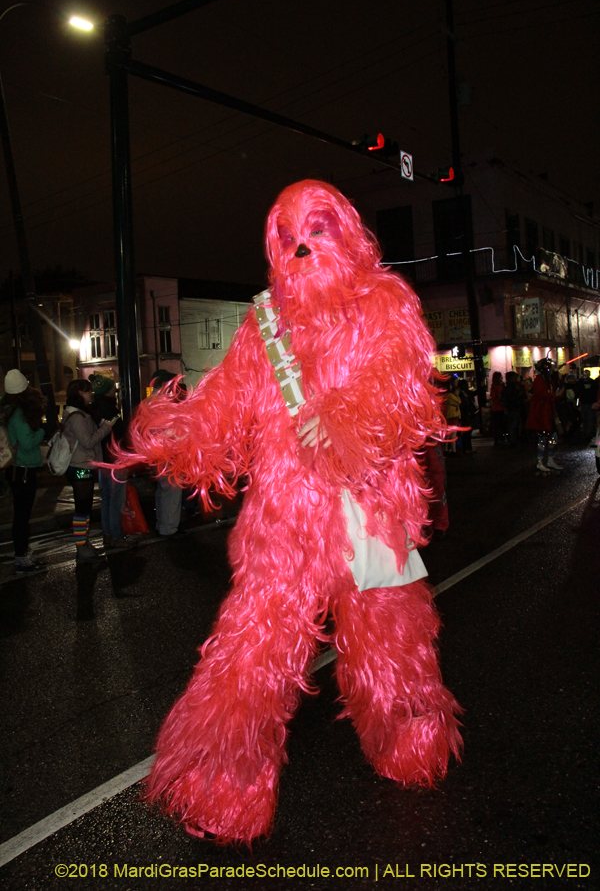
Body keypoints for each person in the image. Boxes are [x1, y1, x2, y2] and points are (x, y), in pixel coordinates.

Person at [114, 180, 462, 844]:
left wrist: (347, 421)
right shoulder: (264, 323)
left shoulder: (384, 301)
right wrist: (184, 433)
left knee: (394, 640)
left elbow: (401, 382)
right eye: (288, 237)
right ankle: (223, 781)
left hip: (371, 513)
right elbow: (228, 398)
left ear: (349, 234)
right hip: (283, 525)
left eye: (318, 229)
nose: (303, 246)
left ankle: (411, 734)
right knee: (251, 650)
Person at [62, 379, 116, 561]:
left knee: (84, 507)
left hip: (83, 464)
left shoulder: (79, 413)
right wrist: (106, 429)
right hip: (80, 466)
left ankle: (84, 543)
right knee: (82, 507)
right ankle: (81, 545)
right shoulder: (77, 416)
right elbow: (87, 441)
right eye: (87, 391)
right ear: (78, 393)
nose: (90, 394)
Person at [1, 369, 46, 573]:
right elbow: (27, 442)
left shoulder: (8, 410)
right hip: (24, 470)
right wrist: (41, 432)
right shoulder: (19, 414)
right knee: (22, 515)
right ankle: (21, 557)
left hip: (16, 469)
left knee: (20, 514)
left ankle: (22, 554)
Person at [89, 373, 137, 549]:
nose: (115, 391)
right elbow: (121, 434)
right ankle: (117, 534)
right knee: (117, 499)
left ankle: (107, 533)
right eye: (112, 388)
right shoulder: (112, 411)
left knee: (107, 498)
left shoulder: (94, 411)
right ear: (107, 391)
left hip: (102, 460)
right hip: (116, 460)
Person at [150, 370, 185, 538]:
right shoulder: (162, 404)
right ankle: (169, 527)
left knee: (163, 490)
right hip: (169, 452)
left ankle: (161, 523)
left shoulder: (151, 402)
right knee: (172, 490)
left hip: (157, 452)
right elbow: (172, 430)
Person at [525, 357, 564, 473]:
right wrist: (556, 395)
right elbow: (543, 395)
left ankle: (550, 459)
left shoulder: (547, 380)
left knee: (552, 437)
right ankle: (540, 461)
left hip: (548, 413)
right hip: (541, 414)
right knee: (542, 438)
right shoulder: (539, 380)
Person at [490, 371, 507, 446]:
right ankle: (499, 439)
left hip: (497, 408)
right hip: (498, 408)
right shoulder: (498, 386)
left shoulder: (496, 386)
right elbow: (495, 397)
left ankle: (498, 439)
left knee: (499, 425)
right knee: (499, 425)